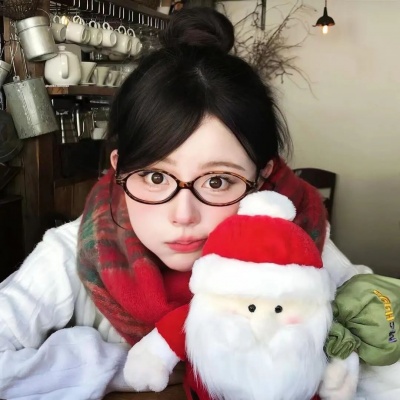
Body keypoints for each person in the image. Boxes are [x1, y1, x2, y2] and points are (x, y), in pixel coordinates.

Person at [0, 7, 371, 400]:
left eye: (217, 181)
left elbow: (381, 347)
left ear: (262, 179)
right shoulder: (72, 253)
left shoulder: (297, 247)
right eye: (156, 177)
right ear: (119, 168)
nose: (183, 215)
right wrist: (123, 367)